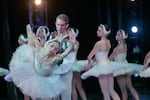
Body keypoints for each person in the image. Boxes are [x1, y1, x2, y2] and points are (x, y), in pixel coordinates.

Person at [9, 24, 74, 100]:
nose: (53, 49)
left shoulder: (55, 59)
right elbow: (31, 36)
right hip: (34, 74)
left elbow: (66, 52)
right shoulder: (40, 49)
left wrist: (71, 43)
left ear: (56, 52)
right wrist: (28, 27)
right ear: (47, 45)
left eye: (55, 49)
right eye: (52, 46)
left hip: (46, 81)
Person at [81, 24, 120, 100]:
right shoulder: (108, 42)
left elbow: (89, 56)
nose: (97, 32)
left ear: (104, 32)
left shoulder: (98, 43)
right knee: (111, 90)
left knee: (105, 92)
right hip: (109, 66)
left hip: (102, 68)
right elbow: (98, 55)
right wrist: (92, 62)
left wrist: (89, 64)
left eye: (99, 30)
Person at [109, 29, 140, 100]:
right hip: (126, 66)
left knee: (123, 90)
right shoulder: (125, 45)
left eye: (119, 35)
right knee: (130, 86)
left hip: (119, 68)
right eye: (116, 34)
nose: (116, 36)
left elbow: (110, 58)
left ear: (123, 37)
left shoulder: (118, 48)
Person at [50, 14, 75, 100]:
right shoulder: (52, 35)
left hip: (66, 70)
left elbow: (72, 54)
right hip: (54, 69)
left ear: (67, 25)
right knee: (55, 95)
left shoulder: (70, 37)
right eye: (58, 25)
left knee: (66, 96)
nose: (60, 27)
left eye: (62, 25)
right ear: (55, 24)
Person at [68, 28, 87, 100]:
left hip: (71, 66)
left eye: (69, 32)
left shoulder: (71, 43)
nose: (68, 34)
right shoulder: (76, 42)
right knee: (79, 86)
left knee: (73, 87)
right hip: (76, 65)